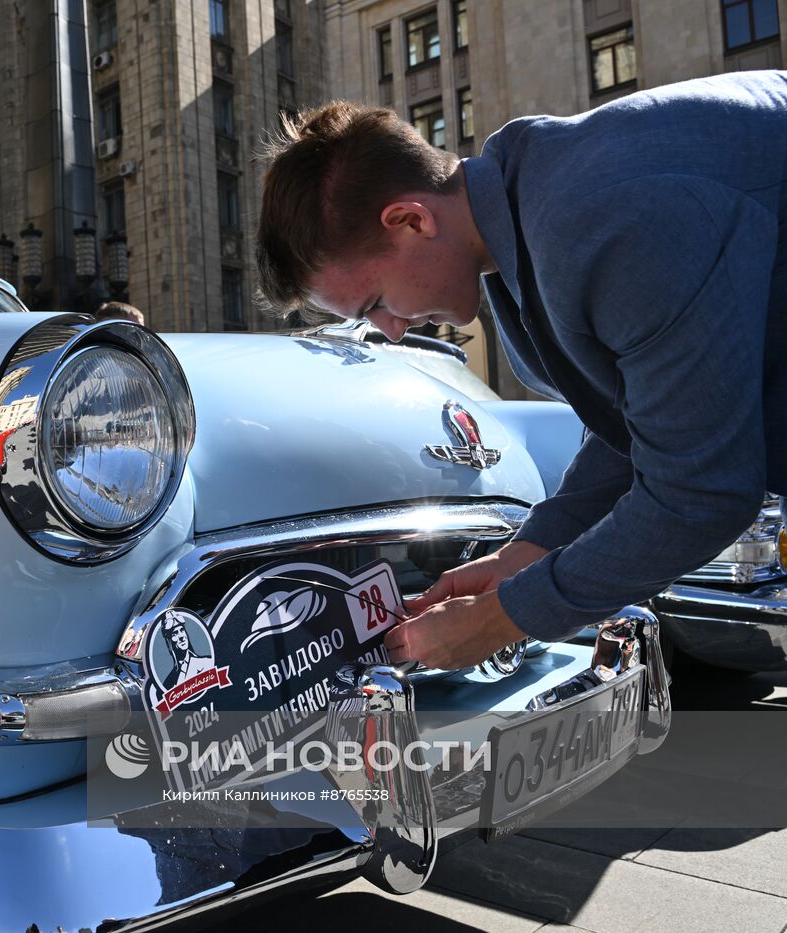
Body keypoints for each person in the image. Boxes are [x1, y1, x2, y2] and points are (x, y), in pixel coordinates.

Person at [253, 72, 786, 670]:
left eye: (374, 301)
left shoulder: (607, 222)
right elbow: (645, 418)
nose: (391, 329)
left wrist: (503, 618)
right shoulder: (533, 201)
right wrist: (526, 553)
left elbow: (702, 493)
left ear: (411, 220)